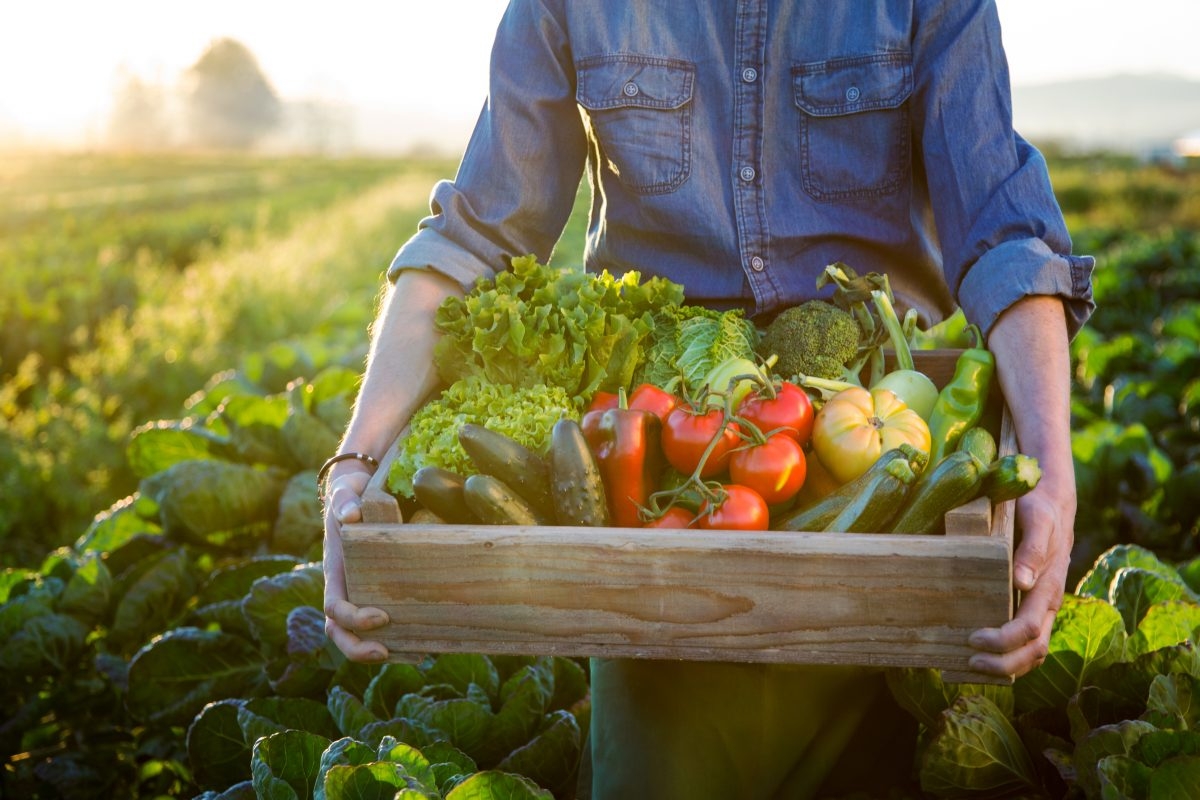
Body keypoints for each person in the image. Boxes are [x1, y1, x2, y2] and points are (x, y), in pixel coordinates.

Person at [321, 1, 1094, 796]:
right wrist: (354, 463)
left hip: (890, 484)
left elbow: (1007, 239)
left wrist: (1053, 476)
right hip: (657, 497)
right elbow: (471, 239)